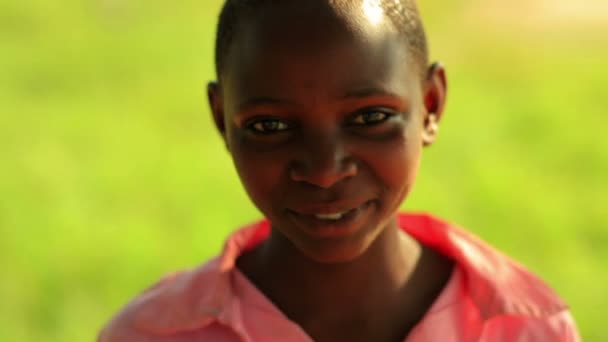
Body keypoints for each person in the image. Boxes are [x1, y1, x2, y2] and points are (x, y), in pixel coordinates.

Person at [99, 0, 580, 340]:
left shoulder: (524, 328)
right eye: (270, 126)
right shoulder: (154, 334)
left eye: (370, 118)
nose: (325, 171)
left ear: (430, 104)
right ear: (222, 120)